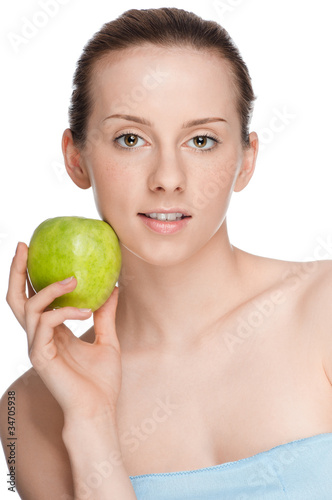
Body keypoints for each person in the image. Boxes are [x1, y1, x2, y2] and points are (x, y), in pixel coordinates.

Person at [1, 7, 332, 500]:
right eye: (130, 139)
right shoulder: (26, 411)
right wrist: (91, 422)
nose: (168, 178)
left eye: (202, 140)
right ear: (76, 158)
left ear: (247, 160)